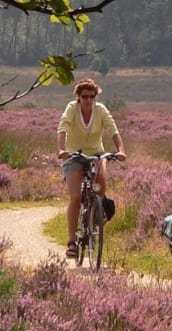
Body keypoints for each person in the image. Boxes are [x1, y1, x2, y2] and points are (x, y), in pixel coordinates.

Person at [56, 78, 126, 259]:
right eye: (84, 96)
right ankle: (72, 242)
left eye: (91, 96)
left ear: (95, 97)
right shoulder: (72, 108)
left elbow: (113, 130)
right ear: (78, 97)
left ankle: (98, 208)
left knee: (102, 174)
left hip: (96, 153)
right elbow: (62, 126)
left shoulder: (101, 110)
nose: (88, 100)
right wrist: (62, 149)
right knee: (75, 196)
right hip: (74, 155)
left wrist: (121, 151)